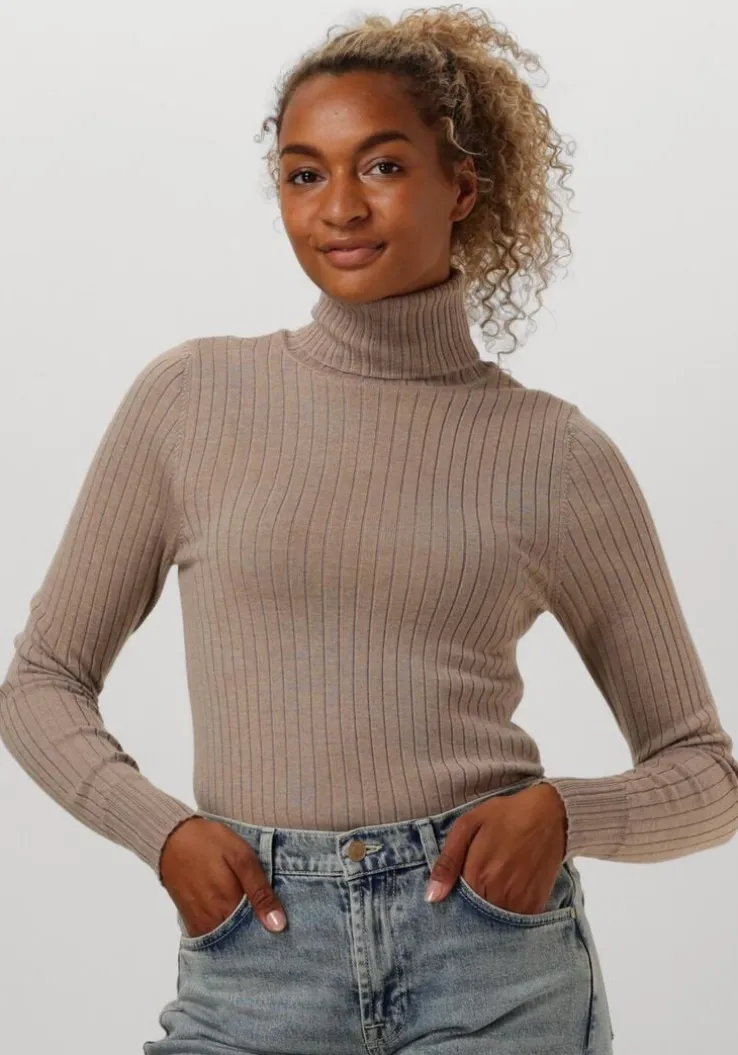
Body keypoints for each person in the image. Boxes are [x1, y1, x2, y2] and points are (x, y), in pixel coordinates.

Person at [1, 6, 736, 1053]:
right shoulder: (191, 399)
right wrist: (162, 833)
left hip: (490, 959)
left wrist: (563, 814)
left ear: (463, 187)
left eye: (382, 166)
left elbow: (706, 773)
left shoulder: (556, 454)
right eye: (304, 174)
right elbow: (41, 680)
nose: (339, 206)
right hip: (256, 954)